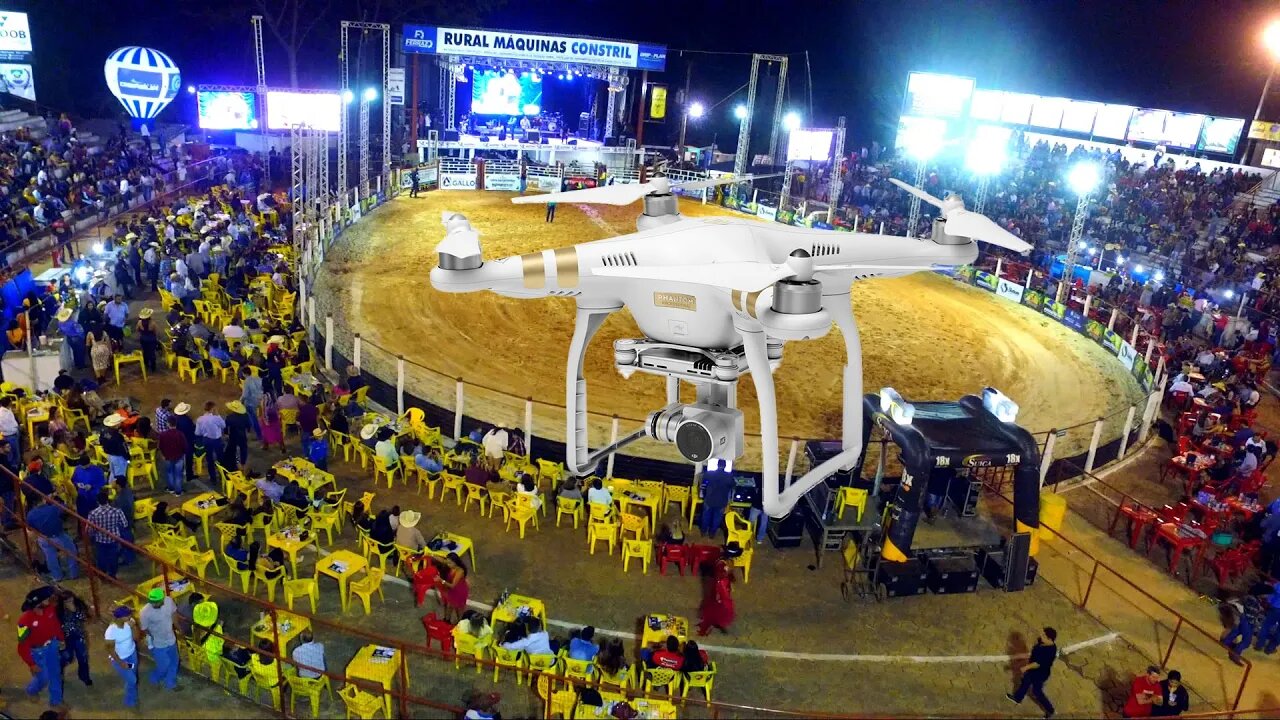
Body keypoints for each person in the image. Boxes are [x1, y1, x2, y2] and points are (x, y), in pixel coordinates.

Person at [19, 590, 65, 708]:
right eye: (46, 599)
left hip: (52, 646)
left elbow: (55, 625)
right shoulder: (24, 621)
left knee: (55, 673)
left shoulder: (50, 610)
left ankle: (56, 701)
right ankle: (32, 690)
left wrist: (61, 639)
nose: (48, 600)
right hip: (37, 652)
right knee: (43, 676)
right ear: (38, 603)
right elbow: (22, 645)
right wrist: (31, 663)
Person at [1006, 626, 1058, 719]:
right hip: (1032, 671)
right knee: (1025, 681)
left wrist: (1025, 667)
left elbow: (1037, 663)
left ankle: (1050, 710)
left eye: (1043, 635)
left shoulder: (1049, 651)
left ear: (1049, 639)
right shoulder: (1042, 642)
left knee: (1037, 691)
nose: (1040, 636)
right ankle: (1018, 698)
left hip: (1040, 674)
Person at [27, 493, 79, 582]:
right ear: (43, 499)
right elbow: (67, 508)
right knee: (72, 552)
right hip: (59, 536)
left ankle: (57, 576)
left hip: (43, 537)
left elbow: (30, 528)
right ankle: (73, 574)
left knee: (50, 557)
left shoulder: (30, 514)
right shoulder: (53, 508)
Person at [139, 587, 180, 691]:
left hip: (171, 638)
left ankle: (170, 682)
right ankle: (155, 678)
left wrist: (178, 627)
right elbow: (145, 629)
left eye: (158, 602)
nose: (156, 604)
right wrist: (152, 637)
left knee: (174, 661)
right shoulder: (144, 612)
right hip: (158, 642)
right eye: (154, 602)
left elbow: (174, 614)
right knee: (164, 665)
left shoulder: (168, 601)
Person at [698, 542, 739, 635]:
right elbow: (719, 578)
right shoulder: (721, 563)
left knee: (721, 605)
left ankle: (716, 621)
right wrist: (719, 592)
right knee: (721, 605)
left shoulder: (727, 562)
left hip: (724, 587)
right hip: (720, 588)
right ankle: (715, 621)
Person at [104, 605, 141, 708]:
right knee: (132, 680)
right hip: (120, 659)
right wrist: (121, 662)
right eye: (127, 615)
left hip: (132, 655)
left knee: (132, 676)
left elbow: (137, 638)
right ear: (119, 618)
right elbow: (109, 649)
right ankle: (129, 701)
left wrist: (134, 626)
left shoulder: (129, 622)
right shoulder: (111, 631)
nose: (130, 617)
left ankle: (132, 695)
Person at [87, 490, 128, 577]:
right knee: (113, 558)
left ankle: (102, 574)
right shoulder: (117, 511)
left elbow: (90, 529)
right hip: (114, 538)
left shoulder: (93, 513)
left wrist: (93, 535)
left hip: (100, 539)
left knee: (101, 558)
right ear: (107, 500)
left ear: (97, 501)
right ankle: (112, 575)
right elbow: (125, 524)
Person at [56, 590, 93, 687]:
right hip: (65, 638)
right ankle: (58, 675)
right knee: (66, 658)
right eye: (67, 601)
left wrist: (75, 610)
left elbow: (84, 618)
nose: (70, 603)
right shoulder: (58, 610)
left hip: (78, 636)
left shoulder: (79, 606)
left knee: (83, 657)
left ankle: (84, 677)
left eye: (71, 600)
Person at [699, 465, 736, 538]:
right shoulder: (729, 476)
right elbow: (733, 486)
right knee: (717, 518)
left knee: (705, 516)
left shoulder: (710, 473)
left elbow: (702, 479)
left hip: (709, 499)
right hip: (721, 501)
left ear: (716, 465)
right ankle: (712, 533)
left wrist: (703, 492)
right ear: (725, 466)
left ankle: (703, 532)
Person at [156, 417, 188, 496]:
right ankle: (178, 491)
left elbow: (160, 446)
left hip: (167, 457)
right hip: (179, 457)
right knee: (178, 474)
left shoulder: (163, 435)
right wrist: (183, 453)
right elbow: (185, 446)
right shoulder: (180, 434)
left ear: (168, 424)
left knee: (169, 473)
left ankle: (171, 488)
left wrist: (163, 454)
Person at [194, 402, 225, 482]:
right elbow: (223, 425)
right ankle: (223, 476)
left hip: (206, 440)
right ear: (212, 409)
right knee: (220, 458)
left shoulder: (200, 419)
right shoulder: (216, 418)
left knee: (209, 459)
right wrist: (218, 415)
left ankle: (213, 478)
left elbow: (197, 433)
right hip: (217, 440)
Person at [439, 552, 470, 623]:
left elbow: (452, 585)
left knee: (458, 610)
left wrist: (441, 580)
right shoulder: (451, 565)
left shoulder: (460, 571)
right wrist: (430, 554)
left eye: (449, 563)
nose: (448, 565)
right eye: (447, 563)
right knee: (449, 606)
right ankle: (446, 621)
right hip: (452, 591)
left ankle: (460, 624)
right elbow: (442, 560)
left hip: (459, 592)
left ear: (455, 562)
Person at [225, 400, 252, 468]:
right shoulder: (245, 416)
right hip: (242, 434)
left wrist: (226, 434)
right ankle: (243, 463)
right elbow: (249, 425)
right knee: (243, 448)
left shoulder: (229, 417)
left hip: (233, 435)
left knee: (232, 448)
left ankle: (232, 462)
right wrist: (248, 431)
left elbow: (226, 426)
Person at [136, 307, 160, 372]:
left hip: (143, 340)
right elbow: (156, 332)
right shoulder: (153, 323)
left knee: (145, 352)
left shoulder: (139, 322)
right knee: (152, 353)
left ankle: (146, 365)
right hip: (151, 340)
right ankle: (153, 368)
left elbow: (137, 329)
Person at [0, 396, 21, 468]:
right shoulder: (3, 414)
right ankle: (16, 470)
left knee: (14, 454)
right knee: (13, 456)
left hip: (11, 435)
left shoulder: (6, 410)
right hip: (10, 436)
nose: (12, 403)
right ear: (8, 403)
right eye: (11, 402)